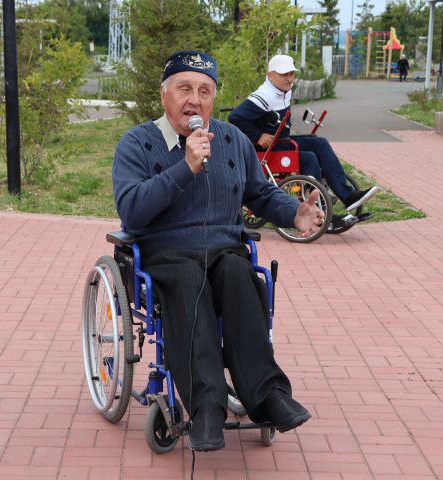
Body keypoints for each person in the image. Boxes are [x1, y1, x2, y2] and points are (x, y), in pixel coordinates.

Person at [112, 51, 319, 452]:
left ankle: (267, 394)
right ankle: (207, 406)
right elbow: (132, 209)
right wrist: (184, 167)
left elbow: (259, 194)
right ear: (164, 95)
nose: (195, 100)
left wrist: (294, 213)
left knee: (240, 276)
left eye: (204, 91)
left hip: (223, 249)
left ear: (213, 97)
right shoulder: (138, 143)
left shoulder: (231, 140)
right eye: (184, 88)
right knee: (189, 279)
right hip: (166, 253)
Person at [228, 54, 378, 230]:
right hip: (268, 148)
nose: (289, 78)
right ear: (270, 75)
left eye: (291, 73)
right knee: (309, 158)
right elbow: (235, 116)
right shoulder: (264, 96)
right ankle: (321, 213)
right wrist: (258, 135)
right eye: (284, 74)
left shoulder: (284, 90)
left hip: (282, 140)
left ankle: (348, 196)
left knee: (319, 143)